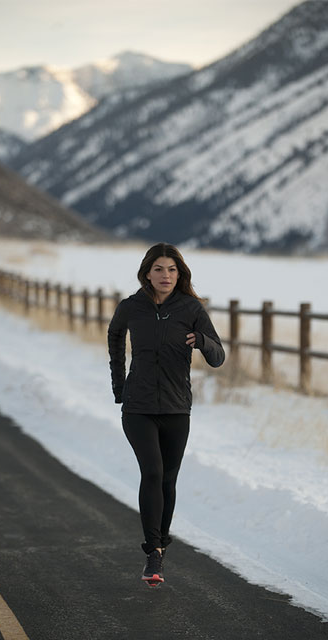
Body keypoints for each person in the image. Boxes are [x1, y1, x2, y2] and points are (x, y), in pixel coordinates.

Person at [107, 243, 226, 586]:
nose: (166, 276)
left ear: (180, 274)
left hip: (176, 408)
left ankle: (161, 543)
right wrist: (120, 386)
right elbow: (114, 337)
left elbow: (218, 356)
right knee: (153, 472)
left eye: (172, 269)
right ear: (147, 272)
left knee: (169, 479)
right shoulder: (132, 307)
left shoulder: (190, 308)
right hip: (139, 407)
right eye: (159, 269)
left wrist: (202, 340)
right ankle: (153, 551)